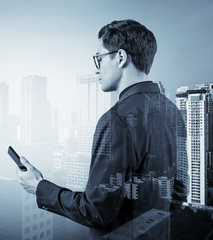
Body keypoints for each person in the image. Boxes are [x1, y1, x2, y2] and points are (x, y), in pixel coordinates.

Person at [16, 19, 187, 239]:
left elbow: (95, 211)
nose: (97, 69)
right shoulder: (173, 111)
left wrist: (39, 187)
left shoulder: (117, 119)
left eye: (99, 58)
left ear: (121, 57)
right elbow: (179, 192)